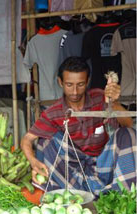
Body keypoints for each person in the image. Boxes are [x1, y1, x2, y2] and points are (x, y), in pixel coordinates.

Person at [21, 56, 136, 195]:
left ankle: (124, 195)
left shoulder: (100, 98)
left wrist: (114, 103)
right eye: (69, 85)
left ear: (87, 82)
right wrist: (33, 161)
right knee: (44, 141)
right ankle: (63, 193)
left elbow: (128, 123)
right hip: (72, 169)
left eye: (80, 84)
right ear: (60, 82)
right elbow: (27, 139)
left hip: (103, 164)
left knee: (127, 134)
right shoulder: (53, 112)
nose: (75, 92)